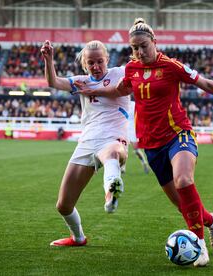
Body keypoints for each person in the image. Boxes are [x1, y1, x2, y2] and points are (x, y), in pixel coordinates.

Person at [76, 18, 213, 266]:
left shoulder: (172, 66)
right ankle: (211, 221)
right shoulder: (132, 69)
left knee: (184, 180)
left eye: (143, 45)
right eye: (134, 48)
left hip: (178, 134)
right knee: (182, 205)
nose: (140, 52)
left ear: (154, 42)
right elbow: (120, 90)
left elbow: (205, 83)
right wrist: (94, 91)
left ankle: (199, 246)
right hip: (151, 145)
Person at [40, 40, 130, 247]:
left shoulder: (120, 73)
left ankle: (111, 191)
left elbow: (124, 90)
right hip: (87, 140)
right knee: (63, 205)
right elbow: (54, 82)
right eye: (91, 63)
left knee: (112, 153)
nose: (97, 66)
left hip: (113, 135)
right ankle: (78, 237)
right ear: (85, 64)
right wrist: (49, 59)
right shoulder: (80, 81)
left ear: (107, 59)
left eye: (100, 61)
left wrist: (93, 91)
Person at [128, 100, 149, 173]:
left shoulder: (133, 104)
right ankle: (122, 168)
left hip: (132, 128)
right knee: (122, 148)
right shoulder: (120, 104)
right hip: (123, 128)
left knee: (136, 149)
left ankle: (144, 163)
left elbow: (140, 115)